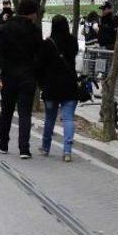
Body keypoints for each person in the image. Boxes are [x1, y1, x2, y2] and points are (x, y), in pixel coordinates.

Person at [0, 0, 43, 159]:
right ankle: (24, 148)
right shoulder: (35, 30)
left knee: (6, 111)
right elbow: (39, 55)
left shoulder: (4, 28)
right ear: (32, 13)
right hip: (28, 76)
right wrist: (38, 76)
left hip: (8, 75)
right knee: (25, 113)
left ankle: (3, 142)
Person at [38, 15, 79, 162]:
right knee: (68, 119)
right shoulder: (73, 41)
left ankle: (45, 146)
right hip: (69, 85)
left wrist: (41, 84)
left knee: (50, 118)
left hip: (51, 86)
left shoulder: (47, 43)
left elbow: (41, 65)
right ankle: (67, 151)